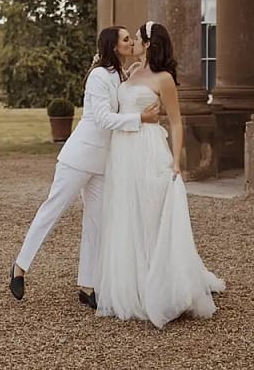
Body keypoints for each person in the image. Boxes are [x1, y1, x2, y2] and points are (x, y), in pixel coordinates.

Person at [10, 26, 159, 308]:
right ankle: (19, 267)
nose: (130, 42)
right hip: (79, 156)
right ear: (113, 46)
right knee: (52, 210)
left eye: (130, 38)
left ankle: (87, 284)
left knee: (96, 222)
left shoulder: (118, 75)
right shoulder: (98, 76)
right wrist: (140, 119)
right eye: (126, 39)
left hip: (103, 162)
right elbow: (102, 119)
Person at [94, 20, 225, 328]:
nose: (134, 42)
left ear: (149, 43)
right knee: (127, 213)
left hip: (149, 148)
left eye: (137, 38)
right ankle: (131, 283)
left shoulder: (164, 79)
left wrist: (177, 163)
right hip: (123, 151)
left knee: (151, 215)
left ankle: (159, 283)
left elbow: (177, 123)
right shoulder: (132, 72)